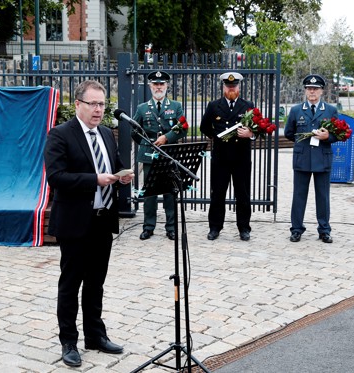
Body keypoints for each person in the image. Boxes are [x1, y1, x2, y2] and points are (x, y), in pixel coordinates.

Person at [44, 80, 134, 367]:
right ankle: (68, 341)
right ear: (78, 105)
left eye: (102, 104)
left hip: (102, 221)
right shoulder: (60, 135)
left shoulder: (107, 133)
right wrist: (94, 179)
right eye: (93, 104)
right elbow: (56, 178)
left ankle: (95, 335)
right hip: (74, 222)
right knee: (71, 284)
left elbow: (114, 164)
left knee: (96, 283)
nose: (98, 110)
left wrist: (122, 177)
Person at [132, 70, 187, 241]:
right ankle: (148, 227)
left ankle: (170, 228)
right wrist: (146, 143)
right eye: (155, 84)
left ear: (167, 86)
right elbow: (135, 130)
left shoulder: (175, 106)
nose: (158, 87)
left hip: (169, 156)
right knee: (150, 193)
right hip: (149, 155)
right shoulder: (142, 108)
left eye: (161, 84)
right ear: (150, 86)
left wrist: (166, 138)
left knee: (170, 193)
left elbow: (183, 128)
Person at [200, 72, 254, 241]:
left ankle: (244, 228)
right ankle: (215, 227)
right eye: (228, 86)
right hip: (221, 157)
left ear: (239, 87)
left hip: (241, 157)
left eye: (234, 86)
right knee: (218, 193)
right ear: (223, 87)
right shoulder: (214, 105)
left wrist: (250, 133)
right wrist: (217, 137)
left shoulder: (248, 105)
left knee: (243, 194)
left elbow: (257, 128)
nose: (231, 89)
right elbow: (204, 127)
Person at [284, 74, 338, 243]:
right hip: (303, 158)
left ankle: (324, 230)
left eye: (315, 89)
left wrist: (327, 137)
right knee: (299, 196)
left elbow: (338, 134)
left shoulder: (330, 110)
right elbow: (288, 133)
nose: (312, 92)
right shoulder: (296, 110)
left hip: (322, 158)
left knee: (323, 196)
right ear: (305, 91)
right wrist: (303, 143)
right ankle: (296, 229)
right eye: (309, 89)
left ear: (322, 91)